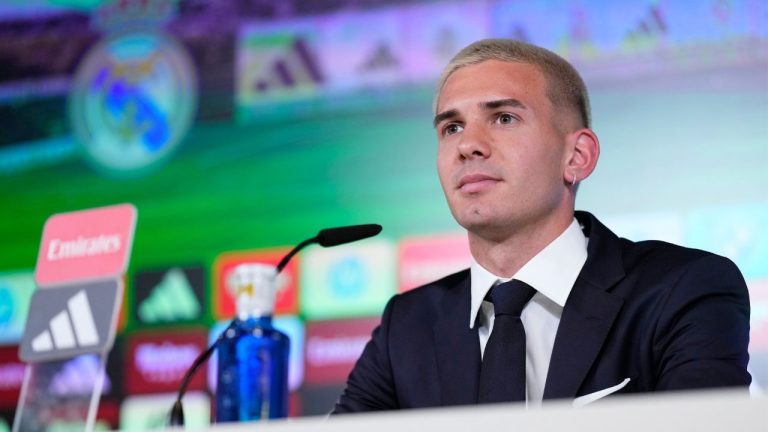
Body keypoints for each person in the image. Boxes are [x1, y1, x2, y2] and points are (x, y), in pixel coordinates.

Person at [332, 39, 751, 412]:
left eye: (504, 118)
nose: (466, 145)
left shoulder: (685, 288)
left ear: (577, 156)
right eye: (452, 127)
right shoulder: (406, 325)